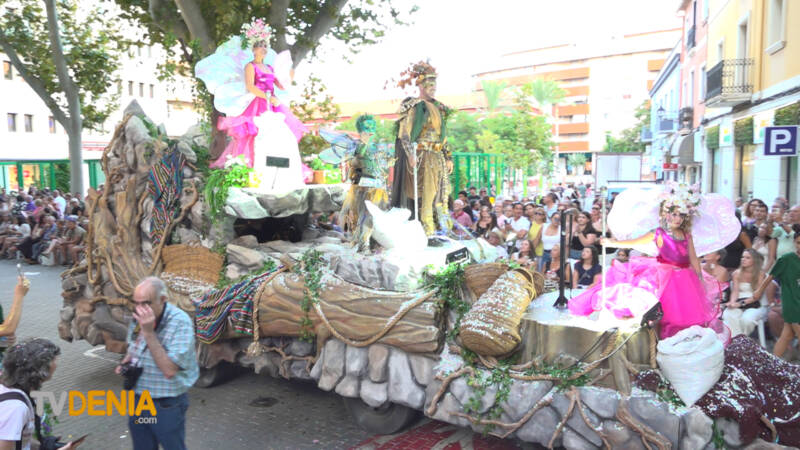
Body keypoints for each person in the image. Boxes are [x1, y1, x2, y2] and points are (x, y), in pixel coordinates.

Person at [568, 182, 731, 340]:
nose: (677, 218)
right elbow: (633, 242)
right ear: (666, 214)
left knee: (685, 314)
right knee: (661, 312)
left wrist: (699, 278)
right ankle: (657, 342)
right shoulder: (658, 232)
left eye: (681, 215)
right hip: (664, 277)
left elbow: (693, 258)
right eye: (674, 214)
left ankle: (676, 342)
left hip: (685, 278)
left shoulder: (686, 235)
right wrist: (612, 243)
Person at [195, 18, 306, 188]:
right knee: (252, 134)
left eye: (265, 46)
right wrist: (267, 97)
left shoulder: (269, 67)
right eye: (260, 46)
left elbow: (279, 84)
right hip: (258, 104)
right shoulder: (250, 66)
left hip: (272, 105)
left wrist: (287, 76)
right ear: (254, 49)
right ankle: (252, 170)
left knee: (279, 134)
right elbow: (250, 86)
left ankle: (276, 171)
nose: (263, 49)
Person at [116, 277, 198, 450]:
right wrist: (127, 360)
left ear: (163, 300)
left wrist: (148, 333)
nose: (140, 309)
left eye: (146, 303)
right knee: (142, 446)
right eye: (136, 303)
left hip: (166, 404)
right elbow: (133, 344)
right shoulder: (139, 316)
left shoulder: (180, 322)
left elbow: (169, 370)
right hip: (140, 399)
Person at [390, 61, 452, 235]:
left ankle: (440, 228)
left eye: (435, 85)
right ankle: (427, 230)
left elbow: (444, 136)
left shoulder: (439, 108)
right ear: (421, 86)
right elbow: (404, 133)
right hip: (422, 155)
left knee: (440, 195)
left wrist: (448, 157)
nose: (434, 88)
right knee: (427, 194)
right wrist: (410, 154)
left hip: (438, 156)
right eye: (430, 84)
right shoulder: (413, 105)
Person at [0, 338, 80, 450]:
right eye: (53, 360)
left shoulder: (12, 389)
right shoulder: (16, 408)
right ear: (40, 371)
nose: (56, 363)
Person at [335, 115, 391, 252]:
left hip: (378, 187)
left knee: (375, 216)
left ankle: (371, 242)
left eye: (372, 127)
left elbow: (383, 164)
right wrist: (363, 143)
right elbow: (355, 159)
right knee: (364, 215)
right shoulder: (356, 146)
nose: (370, 130)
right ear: (360, 130)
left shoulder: (376, 147)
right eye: (367, 127)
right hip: (363, 186)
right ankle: (363, 244)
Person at [753, 233, 800, 358]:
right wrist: (759, 290)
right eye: (798, 242)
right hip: (792, 303)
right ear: (794, 243)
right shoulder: (786, 259)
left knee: (786, 336)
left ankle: (772, 363)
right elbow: (771, 276)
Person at [723, 249, 768, 338]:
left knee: (747, 320)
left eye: (747, 258)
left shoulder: (760, 274)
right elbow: (735, 291)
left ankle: (742, 339)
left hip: (755, 304)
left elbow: (757, 296)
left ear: (754, 260)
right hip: (739, 300)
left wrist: (740, 303)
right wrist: (732, 302)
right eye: (742, 257)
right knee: (728, 314)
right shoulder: (736, 273)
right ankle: (737, 340)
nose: (743, 259)